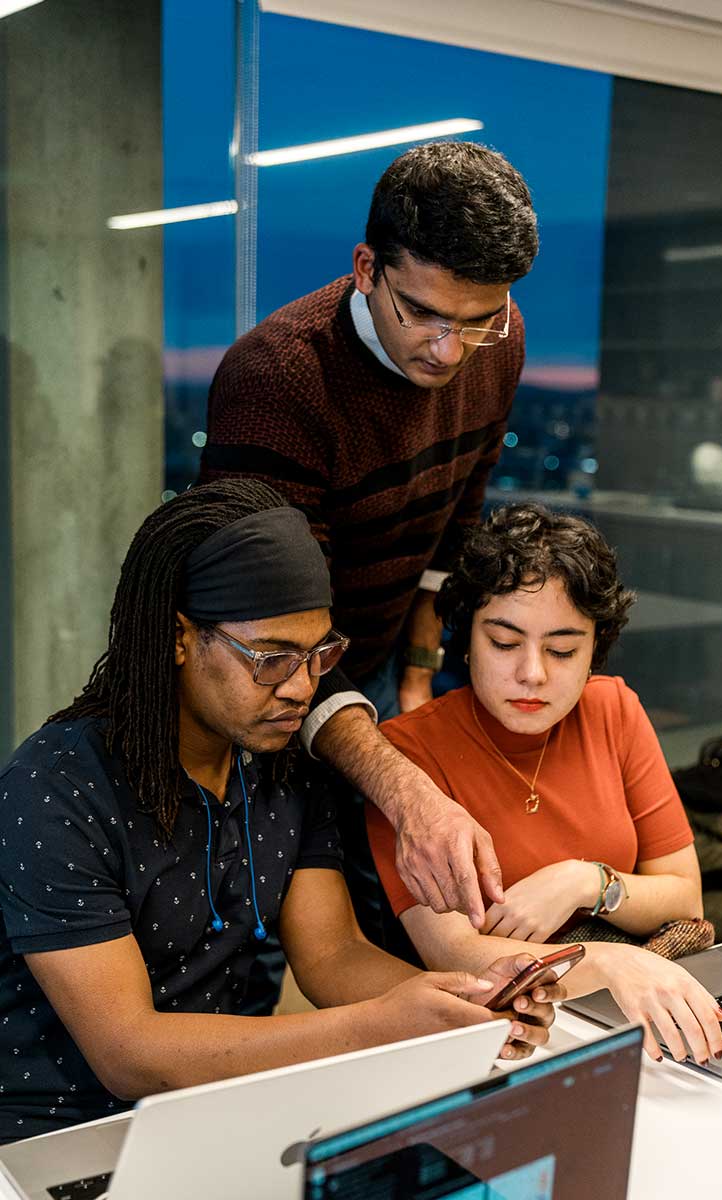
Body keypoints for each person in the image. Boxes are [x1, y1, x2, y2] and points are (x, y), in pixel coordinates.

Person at [0, 481, 562, 1144]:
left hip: (230, 1107)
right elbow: (129, 1051)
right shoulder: (55, 787)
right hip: (55, 1139)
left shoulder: (280, 762)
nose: (301, 688)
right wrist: (380, 1025)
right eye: (270, 659)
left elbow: (331, 954)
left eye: (319, 654)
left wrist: (459, 1002)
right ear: (179, 637)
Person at [199, 140, 540, 932]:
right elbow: (273, 639)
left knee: (387, 909)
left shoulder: (503, 336)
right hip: (251, 676)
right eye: (420, 311)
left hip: (374, 659)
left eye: (476, 321)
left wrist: (418, 677)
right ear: (364, 268)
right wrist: (405, 784)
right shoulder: (279, 380)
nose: (449, 350)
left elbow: (455, 519)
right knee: (251, 927)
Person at [367, 503, 722, 1063]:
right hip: (494, 1037)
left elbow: (684, 896)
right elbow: (452, 951)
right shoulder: (406, 756)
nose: (532, 673)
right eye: (505, 643)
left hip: (623, 1015)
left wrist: (583, 882)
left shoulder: (613, 708)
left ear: (594, 651)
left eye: (562, 650)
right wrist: (608, 960)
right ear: (466, 641)